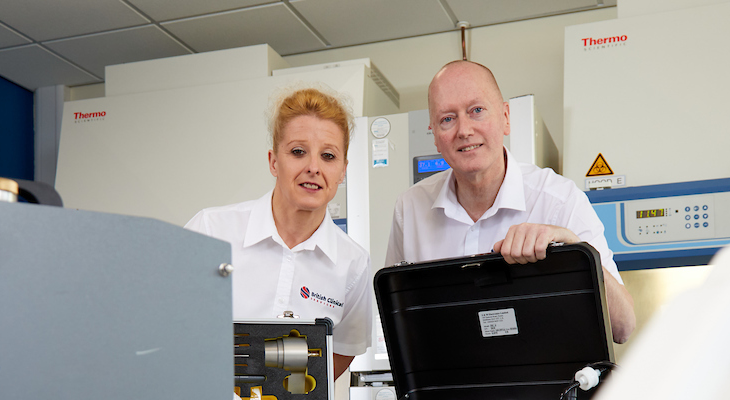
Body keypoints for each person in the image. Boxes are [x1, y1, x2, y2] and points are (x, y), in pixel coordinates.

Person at [386, 60, 636, 344]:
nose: (464, 130)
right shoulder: (410, 210)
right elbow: (397, 325)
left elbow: (623, 327)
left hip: (548, 386)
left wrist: (572, 248)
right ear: (435, 135)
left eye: (476, 111)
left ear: (505, 117)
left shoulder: (559, 201)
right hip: (451, 384)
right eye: (447, 119)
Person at [186, 87, 373, 377]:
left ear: (343, 170)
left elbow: (340, 354)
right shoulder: (211, 231)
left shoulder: (353, 264)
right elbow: (165, 324)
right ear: (274, 161)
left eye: (328, 156)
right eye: (298, 152)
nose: (313, 167)